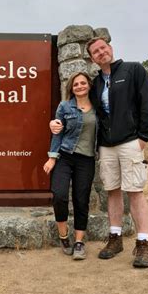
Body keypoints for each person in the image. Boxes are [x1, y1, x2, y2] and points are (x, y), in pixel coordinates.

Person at [50, 37, 148, 268]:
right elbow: (80, 113)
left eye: (102, 48)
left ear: (110, 49)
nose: (100, 53)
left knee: (135, 191)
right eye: (95, 52)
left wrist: (143, 138)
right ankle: (115, 238)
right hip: (106, 146)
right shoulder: (96, 83)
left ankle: (143, 243)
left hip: (130, 142)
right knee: (112, 191)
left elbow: (147, 103)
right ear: (92, 58)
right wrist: (56, 125)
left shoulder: (133, 70)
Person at [43, 72, 97, 260]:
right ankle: (64, 236)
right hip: (65, 156)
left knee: (81, 199)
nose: (80, 86)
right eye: (76, 84)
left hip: (87, 159)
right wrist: (52, 157)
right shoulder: (65, 106)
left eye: (83, 83)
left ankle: (79, 242)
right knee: (59, 195)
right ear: (71, 88)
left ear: (89, 85)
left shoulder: (98, 108)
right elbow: (57, 131)